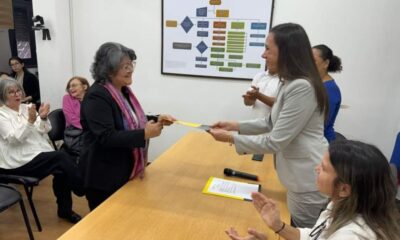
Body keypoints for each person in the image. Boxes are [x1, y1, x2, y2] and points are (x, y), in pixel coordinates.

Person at [210, 23, 329, 228]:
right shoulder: (289, 81)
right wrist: (233, 125)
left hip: (306, 180)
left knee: (302, 232)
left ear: (286, 53)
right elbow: (270, 122)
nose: (263, 55)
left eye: (268, 49)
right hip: (295, 177)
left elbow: (275, 140)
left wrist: (230, 138)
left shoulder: (302, 86)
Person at [226, 140, 400, 240]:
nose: (316, 169)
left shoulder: (352, 236)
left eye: (323, 168)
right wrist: (278, 226)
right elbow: (314, 236)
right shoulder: (341, 204)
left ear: (344, 189)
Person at [80, 42, 176, 211]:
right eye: (125, 66)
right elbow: (106, 136)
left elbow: (129, 120)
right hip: (104, 177)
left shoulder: (122, 91)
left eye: (131, 64)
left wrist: (156, 118)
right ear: (109, 69)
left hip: (124, 170)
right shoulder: (97, 96)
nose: (131, 69)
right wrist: (144, 134)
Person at [0, 78, 84, 223]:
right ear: (3, 95)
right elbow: (14, 139)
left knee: (62, 170)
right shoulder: (2, 115)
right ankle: (82, 187)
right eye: (11, 92)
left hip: (37, 154)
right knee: (61, 157)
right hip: (18, 162)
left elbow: (45, 130)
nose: (16, 94)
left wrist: (43, 118)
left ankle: (65, 211)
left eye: (18, 90)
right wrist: (30, 122)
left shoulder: (27, 108)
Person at [312, 45, 342, 143]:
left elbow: (321, 123)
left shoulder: (330, 89)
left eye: (313, 61)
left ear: (326, 63)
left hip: (322, 144)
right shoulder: (315, 83)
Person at [62, 76, 90, 159]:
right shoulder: (67, 98)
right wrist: (89, 127)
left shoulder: (92, 98)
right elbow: (71, 118)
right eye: (69, 87)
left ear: (84, 87)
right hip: (75, 132)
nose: (71, 88)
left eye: (74, 85)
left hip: (90, 130)